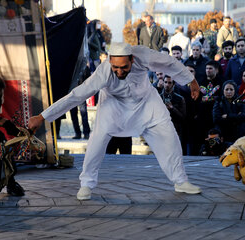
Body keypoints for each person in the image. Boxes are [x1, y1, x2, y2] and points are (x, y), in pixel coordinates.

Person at [28, 43, 202, 200]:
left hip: (146, 102)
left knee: (169, 136)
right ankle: (86, 184)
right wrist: (43, 117)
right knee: (97, 141)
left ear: (132, 60)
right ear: (110, 61)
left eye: (124, 67)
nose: (119, 72)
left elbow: (169, 63)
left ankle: (180, 180)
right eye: (115, 67)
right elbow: (76, 96)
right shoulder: (103, 73)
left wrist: (191, 81)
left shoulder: (143, 55)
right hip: (113, 105)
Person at [160, 75, 186, 141]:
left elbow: (183, 117)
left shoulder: (180, 99)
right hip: (161, 129)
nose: (167, 85)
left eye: (169, 83)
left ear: (173, 84)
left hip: (175, 129)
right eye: (165, 82)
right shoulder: (158, 97)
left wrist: (172, 108)